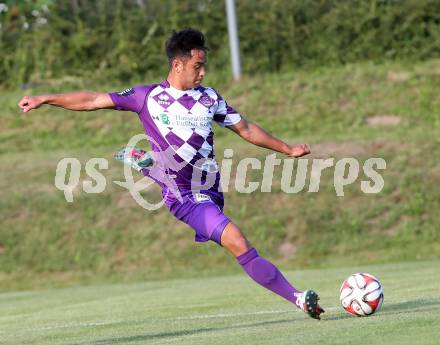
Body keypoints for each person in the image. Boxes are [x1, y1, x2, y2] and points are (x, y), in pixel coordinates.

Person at [18, 28, 324, 320]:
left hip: (211, 189)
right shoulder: (146, 97)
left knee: (215, 212)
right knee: (237, 240)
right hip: (185, 198)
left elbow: (244, 128)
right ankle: (298, 298)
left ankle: (150, 164)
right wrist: (46, 98)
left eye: (204, 66)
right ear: (177, 65)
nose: (202, 73)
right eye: (197, 66)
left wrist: (286, 148)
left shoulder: (210, 98)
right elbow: (93, 100)